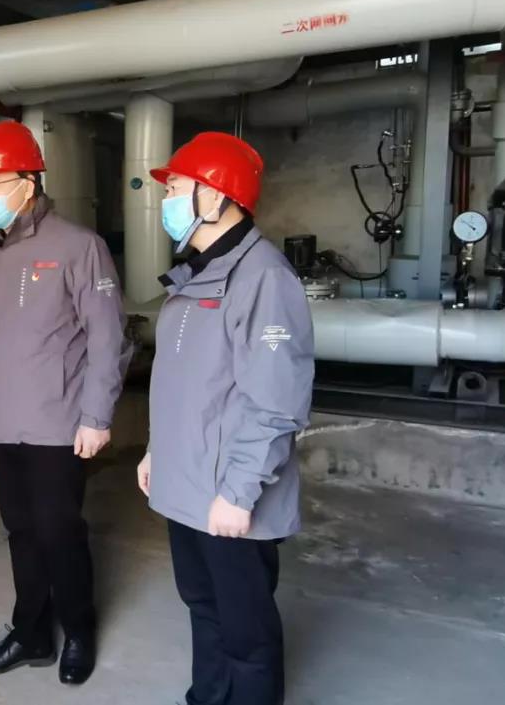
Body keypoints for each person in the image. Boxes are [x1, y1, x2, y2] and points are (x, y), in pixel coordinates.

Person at [0, 120, 133, 686]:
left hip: (58, 424)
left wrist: (97, 416)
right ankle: (32, 634)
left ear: (28, 184)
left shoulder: (78, 247)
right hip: (0, 423)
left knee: (59, 533)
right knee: (21, 533)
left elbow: (108, 338)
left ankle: (79, 630)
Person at [136, 131, 314, 705]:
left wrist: (239, 493)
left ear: (214, 197)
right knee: (203, 605)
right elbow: (185, 386)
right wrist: (156, 451)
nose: (167, 201)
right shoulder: (197, 273)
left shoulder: (263, 277)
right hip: (187, 483)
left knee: (245, 629)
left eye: (176, 189)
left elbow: (276, 401)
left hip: (229, 492)